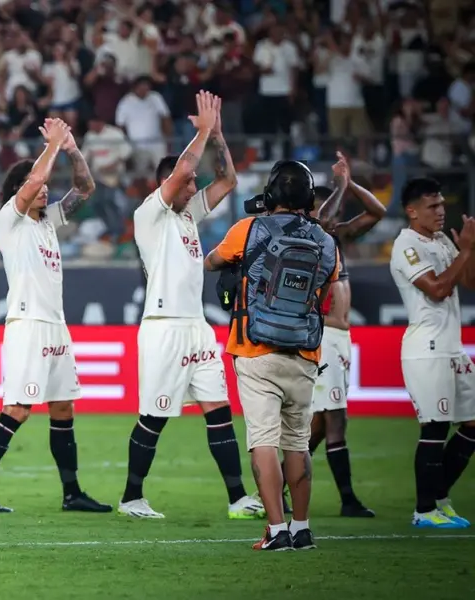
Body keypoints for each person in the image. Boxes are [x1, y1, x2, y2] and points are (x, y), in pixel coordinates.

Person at [120, 90, 265, 520]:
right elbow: (185, 166)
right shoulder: (150, 213)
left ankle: (238, 497)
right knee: (155, 416)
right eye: (187, 182)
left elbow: (228, 182)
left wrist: (217, 137)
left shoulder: (187, 215)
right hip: (163, 326)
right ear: (168, 185)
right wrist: (199, 132)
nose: (194, 184)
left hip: (197, 326)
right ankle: (131, 497)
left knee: (218, 410)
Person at [0, 117, 107, 514]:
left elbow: (86, 188)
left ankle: (72, 493)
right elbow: (29, 186)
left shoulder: (48, 223)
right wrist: (53, 146)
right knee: (18, 409)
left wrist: (72, 149)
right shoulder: (10, 219)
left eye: (45, 186)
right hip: (27, 326)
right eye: (38, 185)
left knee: (62, 408)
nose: (45, 190)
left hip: (55, 325)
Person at [205, 160, 340, 551]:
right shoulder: (327, 242)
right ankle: (302, 528)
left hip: (254, 349)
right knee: (297, 444)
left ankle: (277, 531)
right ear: (309, 199)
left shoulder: (247, 229)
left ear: (271, 194)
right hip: (304, 353)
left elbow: (211, 261)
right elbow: (326, 288)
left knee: (263, 441)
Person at [292, 151, 384, 518]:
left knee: (316, 428)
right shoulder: (311, 236)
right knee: (335, 419)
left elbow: (377, 212)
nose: (323, 215)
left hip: (340, 339)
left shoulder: (338, 237)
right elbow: (324, 217)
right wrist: (342, 184)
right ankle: (347, 500)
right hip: (323, 335)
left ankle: (276, 484)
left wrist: (351, 182)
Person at [390, 177, 475, 529]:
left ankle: (438, 498)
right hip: (426, 348)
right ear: (412, 211)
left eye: (442, 204)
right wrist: (466, 250)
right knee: (435, 427)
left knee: (472, 425)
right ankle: (425, 511)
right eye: (432, 206)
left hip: (452, 348)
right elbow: (439, 289)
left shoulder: (440, 240)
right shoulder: (407, 247)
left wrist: (469, 250)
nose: (441, 211)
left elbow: (467, 282)